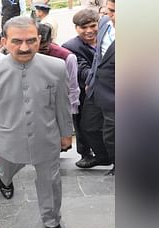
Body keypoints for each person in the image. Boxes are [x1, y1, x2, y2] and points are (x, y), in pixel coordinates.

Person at [0, 16, 72, 228]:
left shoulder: (56, 67)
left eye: (30, 40)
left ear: (39, 39)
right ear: (4, 41)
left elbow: (62, 103)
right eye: (17, 41)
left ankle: (52, 220)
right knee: (7, 169)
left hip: (46, 136)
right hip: (7, 138)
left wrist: (66, 133)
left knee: (51, 181)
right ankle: (6, 181)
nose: (25, 47)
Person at [62, 8, 110, 169]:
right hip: (87, 91)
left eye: (92, 26)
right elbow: (81, 70)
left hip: (113, 89)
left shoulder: (109, 39)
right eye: (84, 28)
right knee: (85, 125)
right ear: (76, 28)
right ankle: (92, 154)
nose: (89, 31)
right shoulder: (70, 46)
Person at [85, 0, 115, 176]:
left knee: (112, 135)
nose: (109, 14)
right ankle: (104, 157)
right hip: (97, 86)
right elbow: (98, 56)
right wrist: (90, 79)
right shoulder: (104, 22)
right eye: (108, 10)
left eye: (113, 11)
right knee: (88, 126)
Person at [38, 23, 80, 146]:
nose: (38, 51)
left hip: (56, 102)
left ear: (50, 41)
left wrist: (71, 110)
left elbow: (73, 86)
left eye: (43, 48)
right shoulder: (25, 53)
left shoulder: (67, 57)